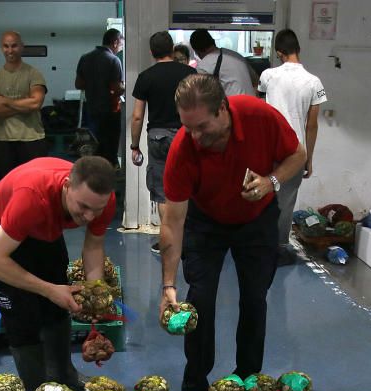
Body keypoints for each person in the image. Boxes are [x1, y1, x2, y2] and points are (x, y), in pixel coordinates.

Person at [159, 74, 305, 391]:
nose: (194, 136)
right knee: (199, 299)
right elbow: (172, 223)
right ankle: (195, 384)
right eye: (188, 127)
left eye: (201, 127)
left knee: (255, 297)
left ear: (222, 109)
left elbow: (298, 155)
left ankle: (247, 381)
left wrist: (271, 182)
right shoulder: (183, 149)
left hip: (256, 219)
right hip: (205, 221)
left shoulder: (259, 116)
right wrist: (168, 285)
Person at [0, 156, 117, 391]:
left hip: (45, 225)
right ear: (66, 186)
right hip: (4, 227)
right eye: (83, 207)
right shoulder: (31, 198)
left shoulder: (101, 200)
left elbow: (93, 247)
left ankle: (64, 375)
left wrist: (95, 296)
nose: (89, 217)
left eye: (97, 210)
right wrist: (48, 289)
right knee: (22, 313)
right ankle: (38, 390)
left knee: (57, 304)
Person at [258, 29, 326, 266]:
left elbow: (260, 111)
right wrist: (309, 158)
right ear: (298, 49)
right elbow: (312, 125)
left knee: (262, 197)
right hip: (295, 152)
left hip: (268, 149)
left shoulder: (268, 76)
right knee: (286, 203)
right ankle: (278, 249)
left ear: (279, 52)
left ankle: (257, 246)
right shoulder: (314, 82)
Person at [129, 31, 194, 255]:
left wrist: (134, 146)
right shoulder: (190, 73)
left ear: (151, 52)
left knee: (162, 189)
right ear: (172, 49)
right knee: (186, 186)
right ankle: (185, 239)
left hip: (158, 137)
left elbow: (137, 116)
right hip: (186, 135)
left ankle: (169, 240)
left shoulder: (146, 76)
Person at [0, 30, 48, 179]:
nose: (10, 50)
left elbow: (35, 103)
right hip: (4, 141)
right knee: (7, 184)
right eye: (6, 46)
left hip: (32, 139)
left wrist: (6, 101)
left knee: (34, 183)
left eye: (14, 46)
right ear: (1, 48)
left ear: (21, 47)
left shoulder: (33, 74)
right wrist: (23, 105)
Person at [75, 28, 125, 166]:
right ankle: (109, 177)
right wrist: (124, 86)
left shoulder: (85, 58)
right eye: (121, 45)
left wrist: (94, 85)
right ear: (115, 42)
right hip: (110, 112)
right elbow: (117, 89)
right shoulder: (114, 60)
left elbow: (78, 84)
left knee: (94, 147)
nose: (120, 49)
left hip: (91, 110)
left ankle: (93, 174)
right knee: (109, 150)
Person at [189, 29, 256, 97]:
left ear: (197, 51)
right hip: (253, 104)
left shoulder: (203, 66)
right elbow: (255, 79)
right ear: (213, 41)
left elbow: (203, 96)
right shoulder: (236, 56)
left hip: (233, 105)